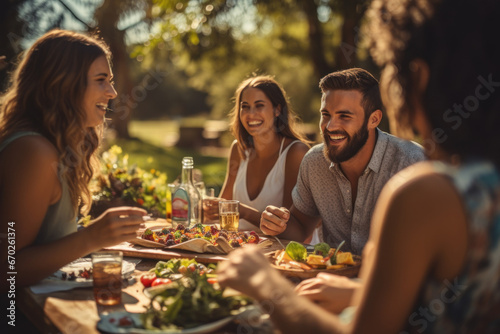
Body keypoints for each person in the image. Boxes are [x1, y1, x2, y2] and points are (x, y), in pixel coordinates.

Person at [217, 0, 500, 332]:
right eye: (326, 114)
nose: (331, 125)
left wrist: (265, 284)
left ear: (417, 77)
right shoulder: (483, 181)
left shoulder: (420, 188)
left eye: (393, 68)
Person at [0, 29, 146, 291]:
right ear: (63, 84)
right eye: (101, 80)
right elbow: (6, 269)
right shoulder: (33, 151)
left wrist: (98, 234)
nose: (112, 92)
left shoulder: (55, 146)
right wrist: (92, 237)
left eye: (110, 80)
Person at [260, 68, 424, 254]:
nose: (330, 126)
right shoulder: (314, 162)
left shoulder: (412, 163)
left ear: (374, 119)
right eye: (326, 115)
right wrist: (278, 226)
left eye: (344, 116)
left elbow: (428, 252)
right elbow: (301, 227)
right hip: (329, 277)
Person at [204, 75, 310, 231]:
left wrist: (243, 212)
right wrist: (209, 209)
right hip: (240, 246)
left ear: (277, 110)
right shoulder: (238, 149)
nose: (250, 114)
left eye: (259, 105)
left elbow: (289, 225)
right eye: (245, 106)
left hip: (281, 251)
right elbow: (224, 207)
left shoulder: (295, 152)